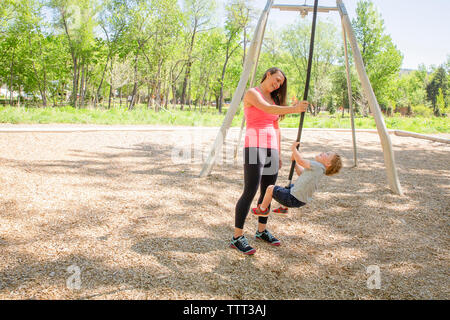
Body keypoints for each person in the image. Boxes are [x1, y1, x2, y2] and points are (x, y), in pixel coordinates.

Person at [230, 67, 309, 255]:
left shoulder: (274, 99)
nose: (278, 84)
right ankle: (237, 237)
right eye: (277, 79)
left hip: (270, 149)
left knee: (268, 191)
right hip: (253, 147)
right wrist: (295, 109)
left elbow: (276, 127)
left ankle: (261, 231)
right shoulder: (252, 93)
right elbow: (267, 109)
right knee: (250, 190)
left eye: (281, 83)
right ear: (268, 75)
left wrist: (279, 153)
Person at [252, 141, 342, 217]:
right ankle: (283, 209)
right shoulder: (319, 170)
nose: (324, 153)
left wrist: (294, 149)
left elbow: (301, 161)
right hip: (300, 200)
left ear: (328, 163)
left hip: (293, 198)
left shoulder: (318, 166)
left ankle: (263, 210)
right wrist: (294, 163)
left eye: (327, 154)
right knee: (289, 186)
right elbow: (301, 173)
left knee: (270, 188)